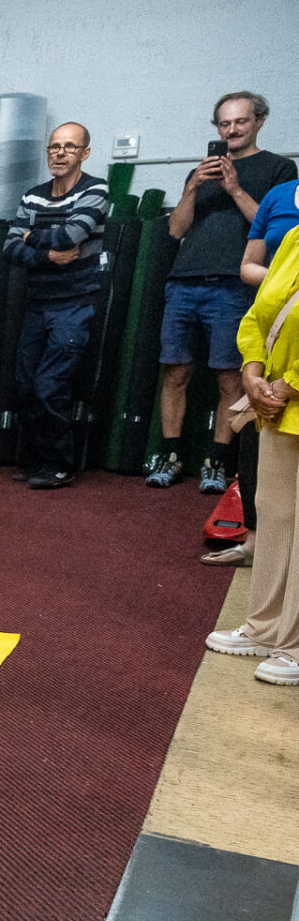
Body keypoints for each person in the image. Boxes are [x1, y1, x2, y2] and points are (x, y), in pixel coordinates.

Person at [149, 91, 298, 492]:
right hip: (184, 280)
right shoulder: (201, 171)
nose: (231, 130)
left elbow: (273, 229)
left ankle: (216, 462)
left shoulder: (279, 169)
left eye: (240, 122)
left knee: (229, 376)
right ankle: (170, 455)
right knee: (175, 370)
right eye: (224, 124)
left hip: (233, 285)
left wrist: (233, 188)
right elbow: (176, 229)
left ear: (259, 122)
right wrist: (194, 187)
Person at [205, 230, 299, 683]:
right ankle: (265, 627)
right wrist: (252, 370)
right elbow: (258, 315)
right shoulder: (295, 239)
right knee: (275, 516)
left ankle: (295, 645)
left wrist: (288, 383)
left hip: (288, 395)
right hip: (278, 409)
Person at [3, 122, 110, 490]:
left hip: (75, 304)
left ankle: (61, 464)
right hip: (37, 304)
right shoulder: (32, 196)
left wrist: (31, 236)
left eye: (69, 147)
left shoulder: (95, 189)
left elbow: (73, 234)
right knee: (26, 384)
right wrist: (48, 252)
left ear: (85, 153)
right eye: (54, 147)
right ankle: (38, 460)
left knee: (51, 385)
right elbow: (9, 248)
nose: (59, 153)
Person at [203, 182, 299, 566]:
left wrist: (289, 383)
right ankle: (256, 544)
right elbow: (252, 280)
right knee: (256, 460)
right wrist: (252, 372)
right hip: (274, 332)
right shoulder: (287, 220)